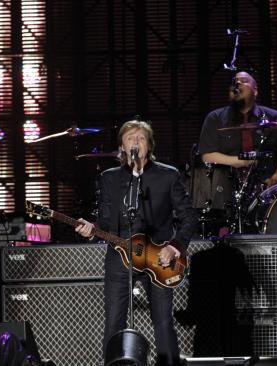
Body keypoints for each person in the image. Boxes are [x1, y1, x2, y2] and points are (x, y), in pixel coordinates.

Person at [75, 120, 197, 365]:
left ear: (149, 145)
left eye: (141, 138)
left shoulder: (168, 175)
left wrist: (174, 246)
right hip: (120, 258)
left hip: (159, 258)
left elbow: (188, 218)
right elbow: (106, 220)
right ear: (122, 145)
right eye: (130, 138)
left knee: (162, 320)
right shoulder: (110, 178)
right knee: (114, 321)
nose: (135, 142)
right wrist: (92, 230)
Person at [198, 71, 277, 188]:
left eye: (244, 81)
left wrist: (276, 178)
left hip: (267, 188)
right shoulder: (215, 118)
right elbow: (207, 156)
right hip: (225, 188)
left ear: (255, 90)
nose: (237, 83)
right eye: (234, 82)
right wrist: (242, 162)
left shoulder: (275, 117)